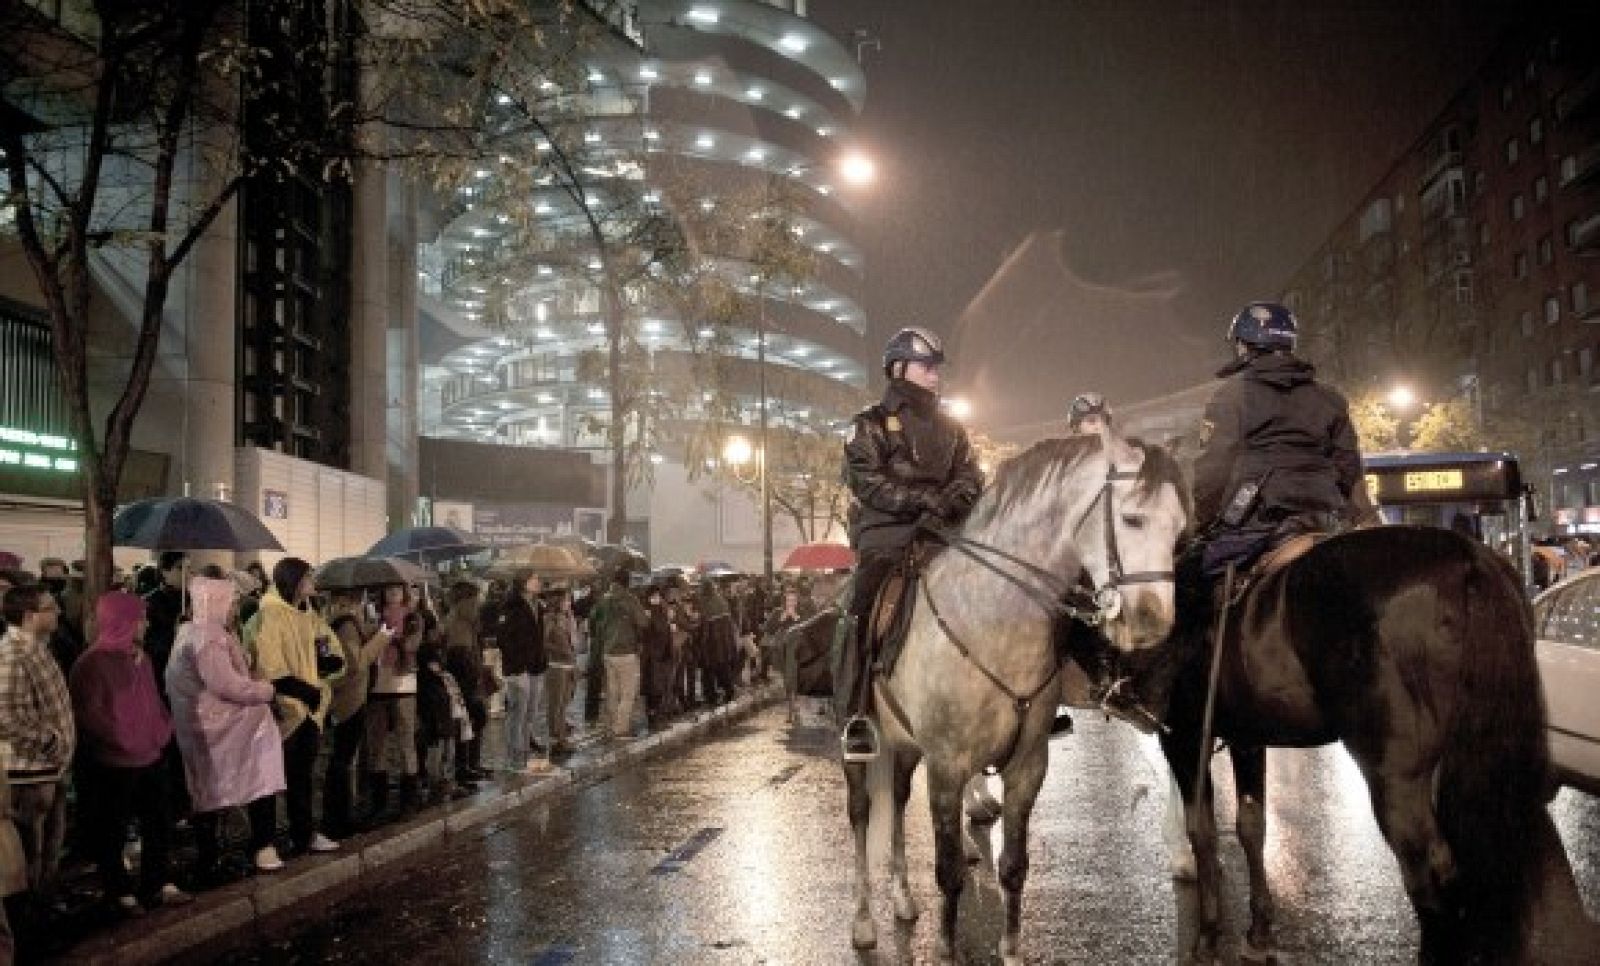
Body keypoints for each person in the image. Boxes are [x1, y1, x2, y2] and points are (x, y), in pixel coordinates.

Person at [840, 326, 983, 758]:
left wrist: (951, 500)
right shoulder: (867, 425)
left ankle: (1028, 704)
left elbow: (972, 474)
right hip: (888, 535)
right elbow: (868, 482)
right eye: (927, 366)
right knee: (858, 611)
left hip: (945, 534)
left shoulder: (953, 428)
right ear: (899, 368)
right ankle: (856, 714)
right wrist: (922, 500)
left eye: (936, 367)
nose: (935, 375)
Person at [68, 591, 191, 914]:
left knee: (158, 823)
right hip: (115, 762)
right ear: (123, 622)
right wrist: (125, 740)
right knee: (114, 827)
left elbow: (153, 703)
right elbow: (90, 716)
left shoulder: (141, 658)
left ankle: (156, 882)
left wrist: (162, 733)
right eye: (140, 618)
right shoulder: (90, 664)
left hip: (150, 756)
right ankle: (119, 890)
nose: (146, 624)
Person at [167, 573, 286, 878]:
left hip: (204, 726)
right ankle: (256, 846)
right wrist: (266, 690)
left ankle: (214, 855)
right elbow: (226, 684)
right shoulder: (210, 638)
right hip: (220, 728)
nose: (235, 607)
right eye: (230, 601)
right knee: (256, 779)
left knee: (209, 790)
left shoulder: (193, 633)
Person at [247, 557, 344, 857]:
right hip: (283, 710)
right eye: (308, 576)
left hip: (310, 712)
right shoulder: (269, 616)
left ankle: (303, 834)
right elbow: (270, 667)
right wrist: (302, 690)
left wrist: (329, 664)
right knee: (271, 780)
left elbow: (330, 652)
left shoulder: (311, 616)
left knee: (302, 777)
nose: (313, 581)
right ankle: (265, 843)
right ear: (294, 581)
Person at [0, 586, 74, 910]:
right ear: (30, 617)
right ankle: (28, 922)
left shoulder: (36, 648)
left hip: (48, 767)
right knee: (30, 853)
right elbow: (4, 716)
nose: (57, 611)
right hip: (27, 772)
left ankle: (42, 910)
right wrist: (49, 740)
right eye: (49, 607)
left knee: (47, 849)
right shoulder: (13, 655)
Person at [322, 601, 391, 838]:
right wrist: (381, 638)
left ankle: (341, 815)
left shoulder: (338, 623)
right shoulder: (347, 625)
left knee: (342, 760)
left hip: (345, 700)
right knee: (342, 761)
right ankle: (339, 819)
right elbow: (356, 663)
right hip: (349, 702)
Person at [589, 565, 648, 741]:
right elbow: (643, 622)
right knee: (628, 694)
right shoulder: (630, 600)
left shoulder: (603, 600)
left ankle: (612, 725)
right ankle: (621, 729)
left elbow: (593, 621)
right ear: (627, 582)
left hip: (607, 652)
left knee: (612, 692)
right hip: (626, 651)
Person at [496, 571, 547, 773]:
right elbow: (503, 639)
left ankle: (524, 753)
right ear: (524, 583)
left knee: (530, 715)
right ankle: (514, 757)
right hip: (518, 669)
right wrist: (518, 664)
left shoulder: (537, 605)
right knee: (517, 714)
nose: (539, 581)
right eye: (535, 578)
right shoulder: (511, 607)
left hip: (535, 666)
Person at [440, 582, 488, 785]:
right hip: (463, 664)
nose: (479, 604)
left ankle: (471, 763)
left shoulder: (458, 618)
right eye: (476, 599)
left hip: (465, 662)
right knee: (471, 716)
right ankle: (464, 766)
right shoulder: (461, 616)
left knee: (472, 717)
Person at [542, 587, 579, 756]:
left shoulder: (569, 618)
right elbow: (543, 642)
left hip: (569, 664)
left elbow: (574, 641)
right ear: (558, 602)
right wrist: (559, 649)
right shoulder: (550, 619)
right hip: (556, 666)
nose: (568, 603)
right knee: (555, 704)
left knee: (564, 703)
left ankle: (562, 737)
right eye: (565, 600)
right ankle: (555, 739)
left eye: (569, 600)